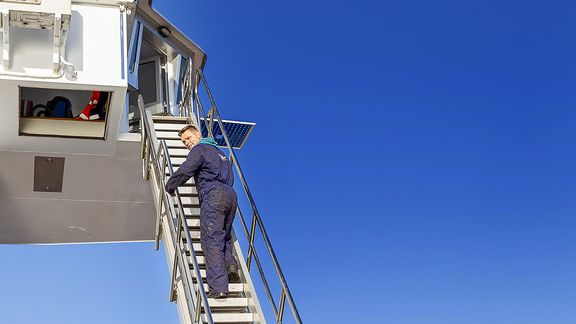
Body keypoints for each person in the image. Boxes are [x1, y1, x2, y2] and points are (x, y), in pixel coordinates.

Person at [165, 125, 240, 299]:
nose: (186, 143)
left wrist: (170, 185)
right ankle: (230, 267)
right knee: (225, 236)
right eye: (183, 142)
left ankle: (219, 288)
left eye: (188, 138)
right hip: (230, 195)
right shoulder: (221, 154)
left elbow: (186, 169)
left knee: (211, 239)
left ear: (198, 134)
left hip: (213, 194)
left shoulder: (199, 150)